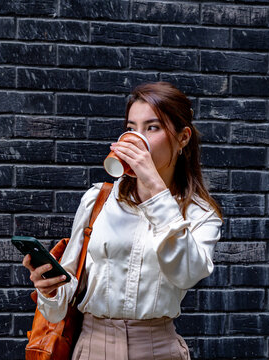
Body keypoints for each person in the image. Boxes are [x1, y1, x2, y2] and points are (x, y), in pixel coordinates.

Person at [22, 82, 223, 360]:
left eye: (152, 127)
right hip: (93, 346)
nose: (136, 138)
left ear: (183, 138)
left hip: (157, 349)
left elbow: (186, 274)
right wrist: (49, 291)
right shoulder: (98, 200)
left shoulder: (200, 213)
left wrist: (154, 187)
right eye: (131, 128)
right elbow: (60, 304)